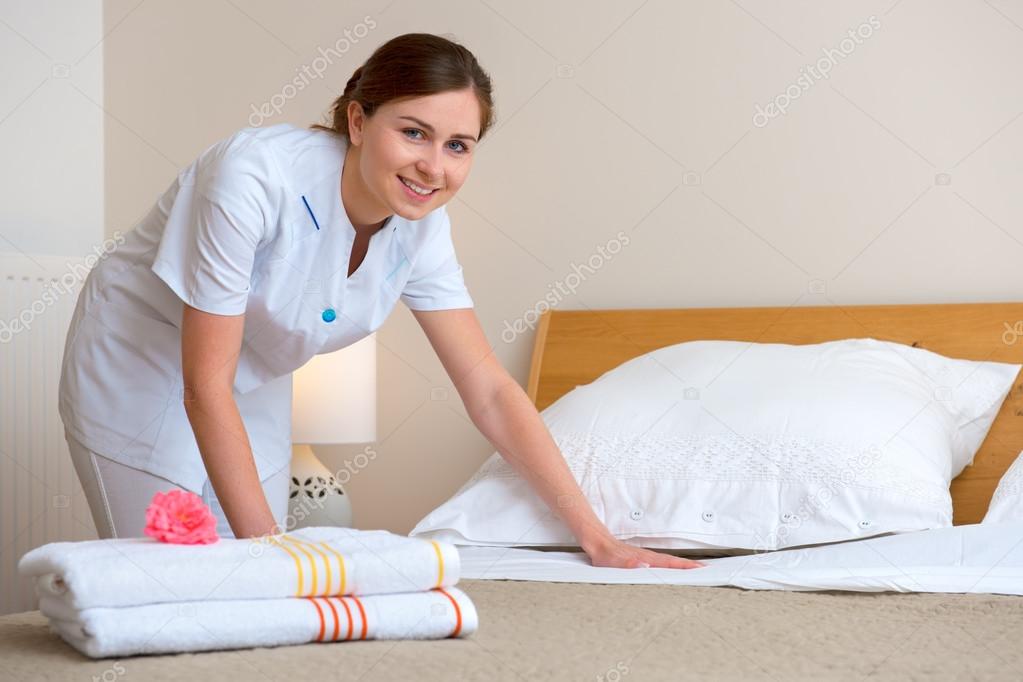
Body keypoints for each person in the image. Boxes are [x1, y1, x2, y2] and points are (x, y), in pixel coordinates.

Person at [58, 32, 703, 569]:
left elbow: (490, 392)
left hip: (248, 376)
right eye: (415, 132)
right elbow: (203, 384)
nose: (434, 166)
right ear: (359, 120)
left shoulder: (422, 229)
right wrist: (278, 561)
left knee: (251, 569)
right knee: (177, 566)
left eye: (458, 146)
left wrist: (598, 540)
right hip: (139, 362)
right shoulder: (252, 177)